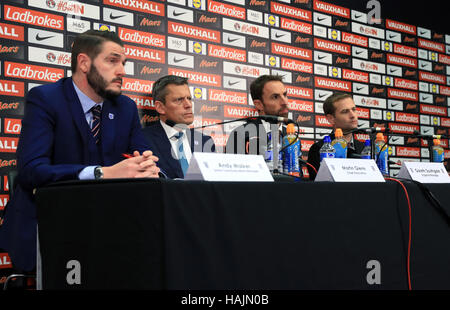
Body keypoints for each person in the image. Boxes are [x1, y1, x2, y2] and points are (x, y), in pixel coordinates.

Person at [0, 30, 160, 272]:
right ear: (84, 63)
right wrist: (100, 173)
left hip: (108, 224)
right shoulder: (45, 98)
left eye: (124, 63)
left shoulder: (125, 107)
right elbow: (31, 171)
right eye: (112, 60)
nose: (122, 71)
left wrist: (146, 167)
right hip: (48, 224)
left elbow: (142, 155)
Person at [142, 75, 216, 179]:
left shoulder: (205, 141)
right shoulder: (143, 140)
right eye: (179, 100)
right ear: (160, 107)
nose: (188, 105)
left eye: (189, 98)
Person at [225, 75, 289, 155]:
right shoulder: (240, 135)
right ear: (259, 104)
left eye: (285, 95)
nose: (285, 102)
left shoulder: (292, 137)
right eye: (275, 97)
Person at [307, 92, 364, 180]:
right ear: (331, 119)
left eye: (354, 109)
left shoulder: (365, 149)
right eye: (345, 111)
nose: (353, 115)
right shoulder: (318, 149)